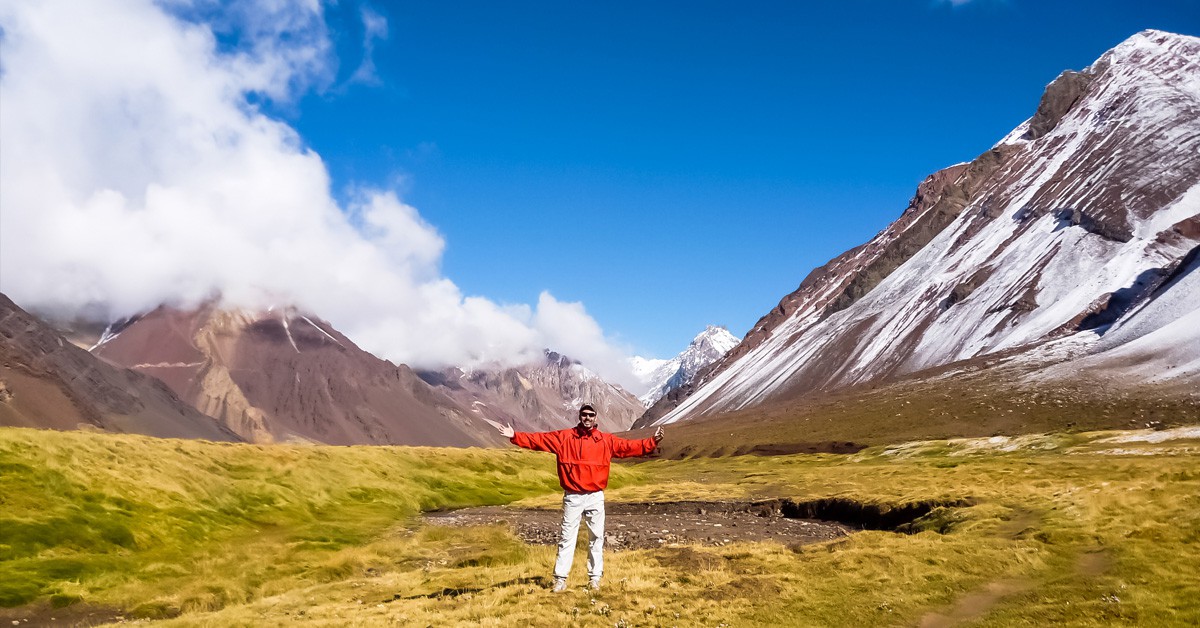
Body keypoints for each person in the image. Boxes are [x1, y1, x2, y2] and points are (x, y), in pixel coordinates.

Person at [497, 403, 665, 592]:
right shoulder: (564, 438)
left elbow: (629, 447)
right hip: (573, 497)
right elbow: (539, 440)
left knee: (597, 537)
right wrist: (515, 436)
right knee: (567, 538)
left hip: (595, 496)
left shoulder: (605, 440)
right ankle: (560, 579)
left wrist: (652, 441)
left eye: (590, 415)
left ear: (595, 418)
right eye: (584, 414)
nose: (587, 418)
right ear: (579, 416)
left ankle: (594, 579)